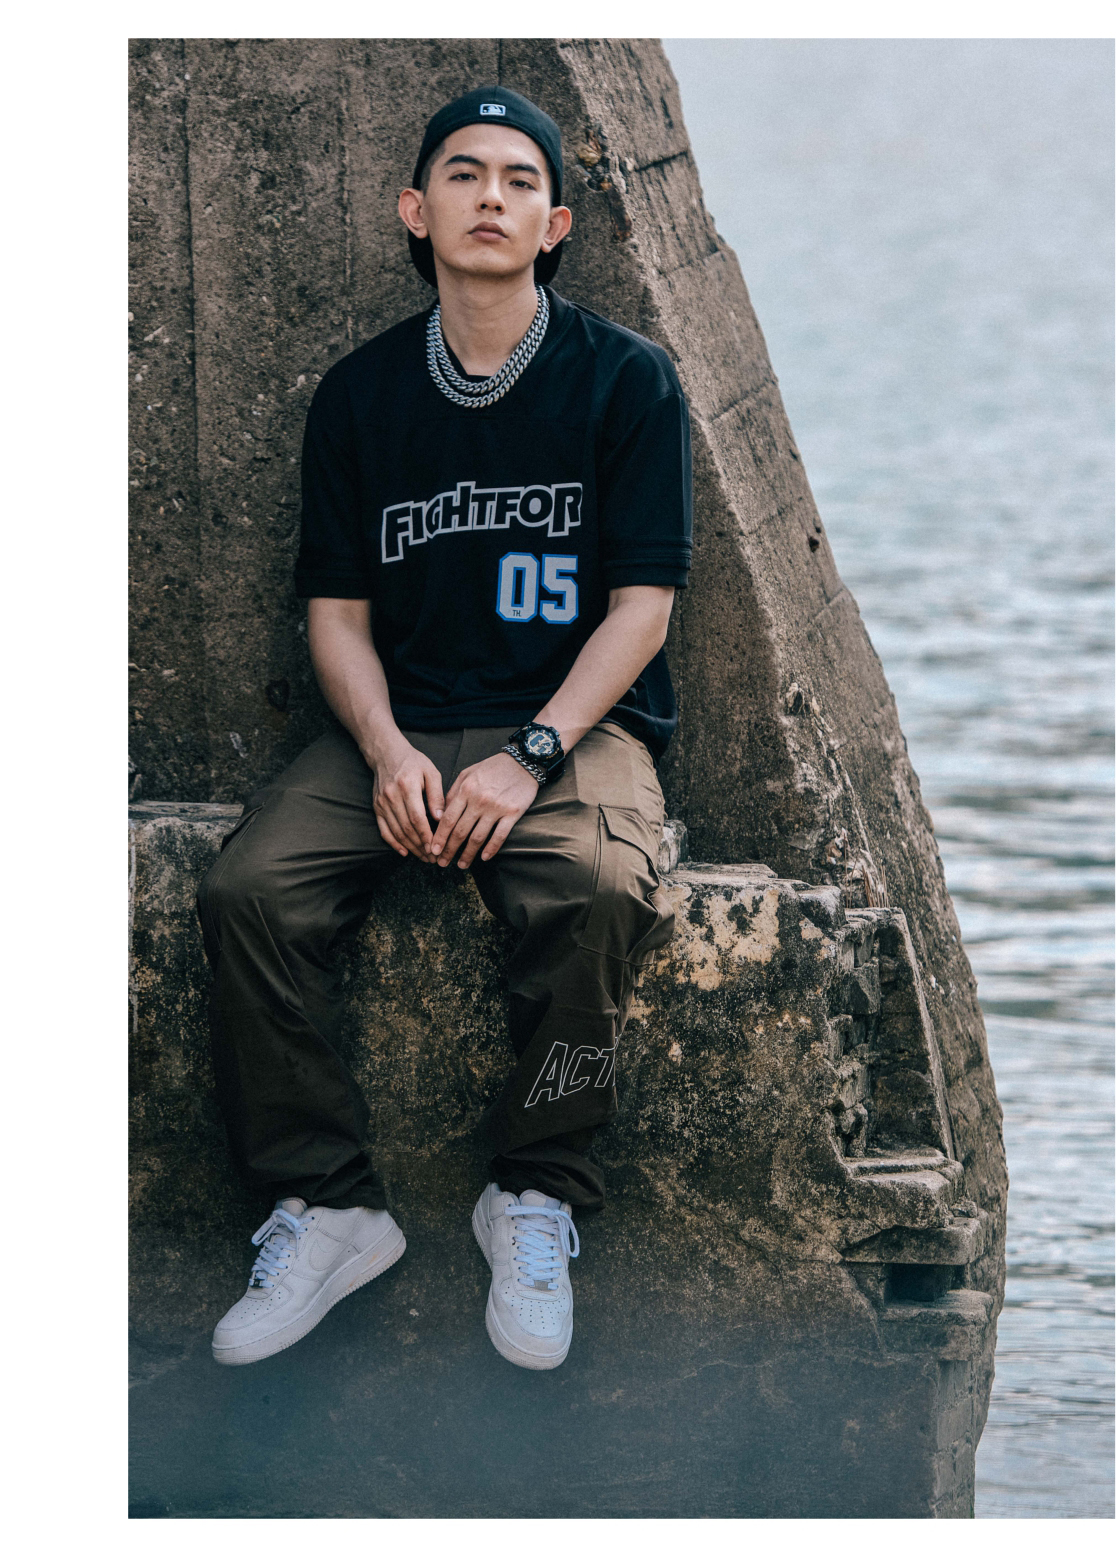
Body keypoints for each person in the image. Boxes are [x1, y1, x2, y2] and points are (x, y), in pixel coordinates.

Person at [196, 85, 692, 1373]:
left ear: (556, 224)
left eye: (521, 181)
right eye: (465, 175)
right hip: (402, 725)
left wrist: (531, 757)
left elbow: (643, 609)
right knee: (251, 890)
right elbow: (335, 616)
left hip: (570, 732)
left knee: (598, 890)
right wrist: (384, 752)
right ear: (416, 210)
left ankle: (535, 1192)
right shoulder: (361, 396)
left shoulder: (627, 381)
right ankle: (328, 1208)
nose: (491, 198)